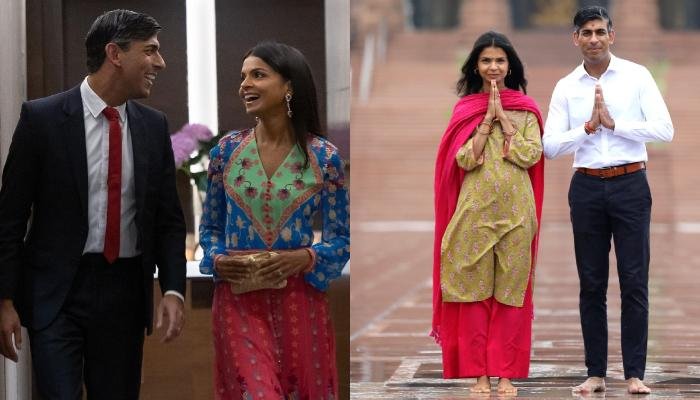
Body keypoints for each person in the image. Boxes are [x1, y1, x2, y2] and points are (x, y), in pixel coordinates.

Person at [0, 9, 186, 399]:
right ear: (115, 54)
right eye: (150, 51)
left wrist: (173, 289)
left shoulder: (153, 127)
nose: (160, 62)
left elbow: (168, 219)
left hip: (125, 293)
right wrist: (5, 300)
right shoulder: (42, 120)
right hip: (57, 295)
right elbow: (9, 220)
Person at [199, 41, 349, 399]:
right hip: (238, 302)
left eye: (258, 75)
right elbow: (210, 228)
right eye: (243, 77)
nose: (245, 85)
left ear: (289, 86)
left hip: (300, 302)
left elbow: (341, 239)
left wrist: (305, 257)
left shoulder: (324, 158)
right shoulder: (226, 152)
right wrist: (219, 258)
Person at [543, 5, 673, 395]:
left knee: (635, 281)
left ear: (612, 36)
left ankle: (635, 373)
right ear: (576, 38)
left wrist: (618, 125)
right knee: (591, 283)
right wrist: (586, 128)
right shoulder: (567, 86)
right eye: (586, 33)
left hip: (631, 183)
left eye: (600, 32)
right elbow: (549, 146)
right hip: (586, 188)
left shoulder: (637, 76)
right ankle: (595, 372)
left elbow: (664, 129)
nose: (594, 39)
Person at [432, 31, 545, 395]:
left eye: (499, 60)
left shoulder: (526, 108)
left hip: (516, 212)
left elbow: (531, 155)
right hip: (474, 211)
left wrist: (505, 121)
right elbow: (463, 159)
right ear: (475, 66)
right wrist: (485, 122)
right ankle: (480, 374)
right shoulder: (465, 109)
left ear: (510, 65)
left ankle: (506, 374)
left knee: (512, 293)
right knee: (474, 293)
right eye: (486, 60)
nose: (493, 67)